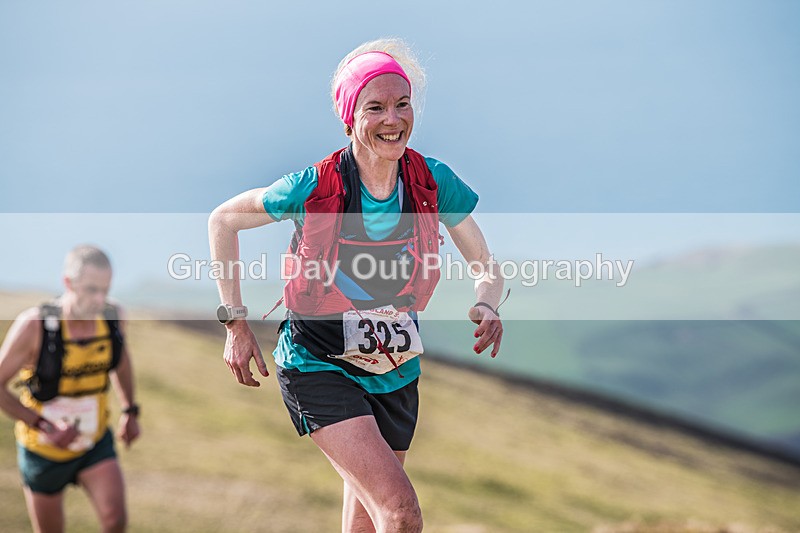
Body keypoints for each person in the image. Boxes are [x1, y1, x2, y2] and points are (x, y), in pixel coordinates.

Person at [208, 37, 503, 532]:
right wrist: (234, 323)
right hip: (318, 363)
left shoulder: (432, 182)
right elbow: (223, 220)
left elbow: (486, 266)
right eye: (376, 108)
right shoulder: (313, 186)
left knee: (368, 524)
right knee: (401, 513)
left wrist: (487, 304)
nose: (393, 119)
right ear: (349, 120)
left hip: (395, 371)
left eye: (403, 104)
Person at [0, 245, 141, 533]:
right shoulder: (35, 326)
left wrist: (129, 410)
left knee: (115, 520)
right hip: (43, 450)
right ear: (68, 283)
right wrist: (42, 425)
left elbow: (121, 361)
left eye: (105, 290)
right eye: (91, 290)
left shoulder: (113, 316)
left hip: (94, 441)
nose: (99, 299)